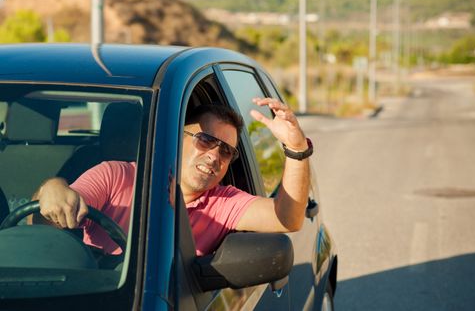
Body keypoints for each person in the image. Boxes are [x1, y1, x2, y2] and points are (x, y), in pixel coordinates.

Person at [30, 97, 312, 256]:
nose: (214, 156)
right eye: (204, 140)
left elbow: (288, 217)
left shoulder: (223, 203)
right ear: (176, 139)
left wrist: (297, 149)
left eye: (226, 151)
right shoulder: (115, 175)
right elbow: (46, 218)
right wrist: (52, 187)